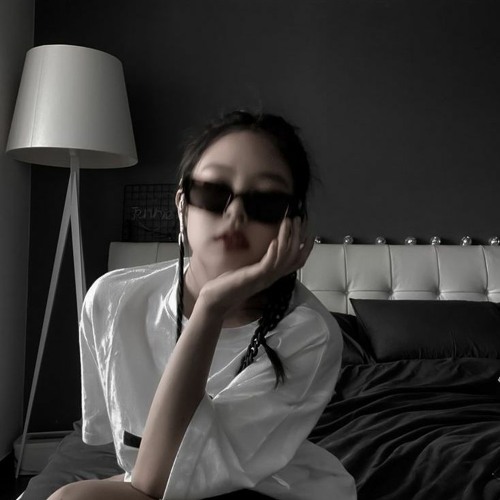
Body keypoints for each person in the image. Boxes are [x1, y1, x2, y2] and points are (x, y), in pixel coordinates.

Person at [48, 110, 356, 500]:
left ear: (292, 222)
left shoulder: (309, 333)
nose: (235, 213)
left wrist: (211, 305)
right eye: (213, 192)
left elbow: (159, 479)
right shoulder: (112, 300)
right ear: (182, 205)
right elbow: (136, 465)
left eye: (265, 202)